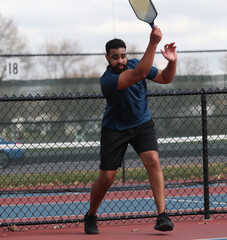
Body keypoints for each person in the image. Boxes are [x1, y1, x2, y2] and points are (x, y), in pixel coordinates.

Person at [84, 25, 177, 234]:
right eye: (115, 57)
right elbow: (139, 73)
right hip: (114, 129)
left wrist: (173, 62)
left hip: (142, 124)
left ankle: (162, 215)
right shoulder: (107, 80)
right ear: (107, 59)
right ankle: (91, 215)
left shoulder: (135, 64)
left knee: (153, 160)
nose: (120, 60)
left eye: (123, 56)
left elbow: (166, 78)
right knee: (107, 178)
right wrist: (153, 43)